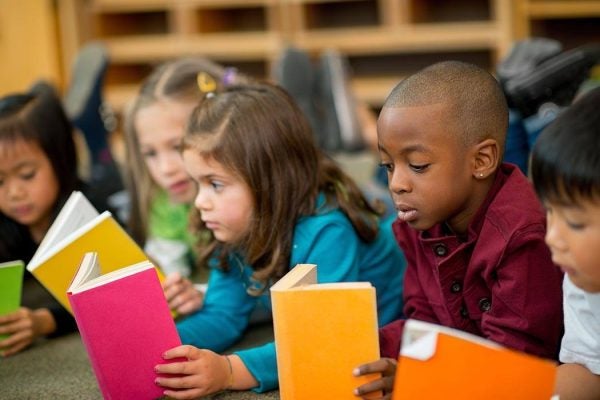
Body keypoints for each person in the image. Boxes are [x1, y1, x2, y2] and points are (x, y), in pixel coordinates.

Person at [153, 82, 406, 398]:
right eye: (197, 184)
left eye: (215, 184)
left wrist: (230, 370)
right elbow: (222, 315)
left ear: (270, 185)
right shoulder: (232, 225)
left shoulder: (328, 233)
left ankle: (354, 130)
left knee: (395, 197)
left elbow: (318, 341)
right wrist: (157, 346)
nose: (200, 202)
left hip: (407, 273)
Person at [352, 60, 564, 398]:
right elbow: (424, 325)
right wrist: (367, 351)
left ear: (481, 161)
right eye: (387, 166)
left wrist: (420, 378)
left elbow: (517, 360)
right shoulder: (420, 223)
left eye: (418, 165)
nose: (397, 183)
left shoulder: (522, 236)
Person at [123, 57, 248, 315]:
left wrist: (204, 295)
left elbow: (259, 288)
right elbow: (172, 272)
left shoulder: (243, 201)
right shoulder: (165, 201)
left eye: (178, 147)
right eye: (151, 153)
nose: (165, 169)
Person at [0, 86, 111, 356]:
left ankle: (93, 129)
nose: (14, 193)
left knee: (109, 170)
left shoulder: (89, 211)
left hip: (107, 188)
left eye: (26, 175)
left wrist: (44, 321)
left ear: (60, 159)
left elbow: (107, 296)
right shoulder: (6, 217)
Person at [530, 86, 600, 400]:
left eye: (574, 222)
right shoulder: (583, 277)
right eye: (549, 212)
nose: (552, 237)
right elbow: (589, 369)